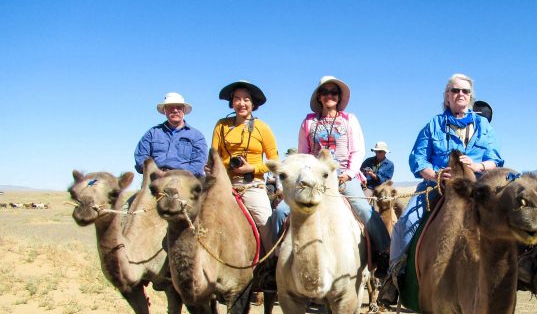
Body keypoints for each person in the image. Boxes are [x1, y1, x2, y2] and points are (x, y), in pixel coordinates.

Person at [381, 73, 504, 305]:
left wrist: (477, 165)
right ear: (447, 96)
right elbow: (418, 160)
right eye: (455, 91)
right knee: (405, 224)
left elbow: (495, 159)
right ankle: (393, 278)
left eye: (465, 91)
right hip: (436, 185)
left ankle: (505, 277)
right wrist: (436, 174)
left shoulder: (483, 125)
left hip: (475, 184)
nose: (460, 95)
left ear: (470, 97)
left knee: (505, 220)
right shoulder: (433, 124)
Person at [269, 76, 390, 276]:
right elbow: (303, 154)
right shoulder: (308, 122)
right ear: (319, 97)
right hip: (314, 178)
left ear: (339, 96)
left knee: (363, 209)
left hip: (343, 175)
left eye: (334, 92)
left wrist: (348, 175)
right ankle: (274, 265)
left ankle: (384, 256)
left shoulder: (350, 119)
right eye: (325, 92)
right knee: (281, 211)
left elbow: (357, 151)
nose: (329, 96)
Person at [210, 80, 279, 227]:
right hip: (224, 184)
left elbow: (275, 161)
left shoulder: (263, 127)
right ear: (232, 103)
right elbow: (214, 156)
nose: (241, 103)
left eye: (246, 99)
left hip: (253, 185)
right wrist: (211, 167)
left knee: (266, 224)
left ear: (253, 104)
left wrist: (252, 168)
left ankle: (273, 251)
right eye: (237, 99)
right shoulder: (221, 125)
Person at [134, 92, 207, 177]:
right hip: (154, 179)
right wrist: (157, 173)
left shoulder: (197, 136)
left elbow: (198, 165)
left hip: (183, 180)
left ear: (183, 110)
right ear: (165, 110)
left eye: (179, 107)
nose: (175, 110)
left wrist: (177, 176)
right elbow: (141, 158)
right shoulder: (152, 133)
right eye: (171, 107)